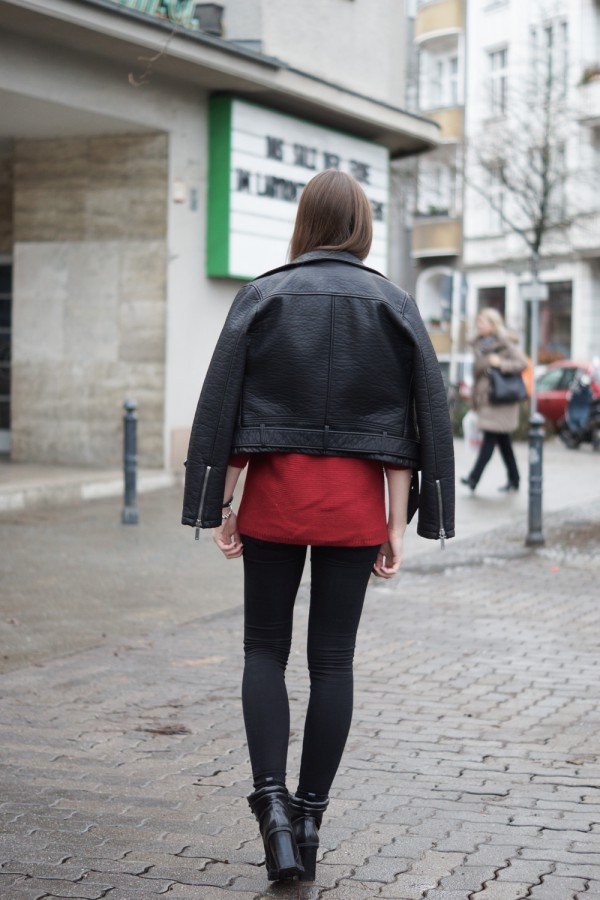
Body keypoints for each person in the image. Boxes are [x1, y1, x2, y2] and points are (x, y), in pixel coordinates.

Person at [182, 170, 455, 884]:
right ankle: (309, 818)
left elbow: (231, 407)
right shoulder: (392, 303)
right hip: (354, 506)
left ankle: (270, 807)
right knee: (332, 661)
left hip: (276, 496)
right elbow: (410, 425)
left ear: (303, 223)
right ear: (363, 226)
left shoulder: (263, 294)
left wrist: (226, 501)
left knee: (262, 653)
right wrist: (396, 524)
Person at [461, 307, 528, 492]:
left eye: (482, 322)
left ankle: (474, 478)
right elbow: (477, 377)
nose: (478, 325)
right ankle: (515, 479)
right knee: (504, 442)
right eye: (478, 321)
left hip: (501, 400)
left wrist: (501, 364)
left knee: (490, 439)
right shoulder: (478, 345)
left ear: (493, 325)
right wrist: (474, 401)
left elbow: (523, 363)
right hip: (487, 399)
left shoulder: (505, 343)